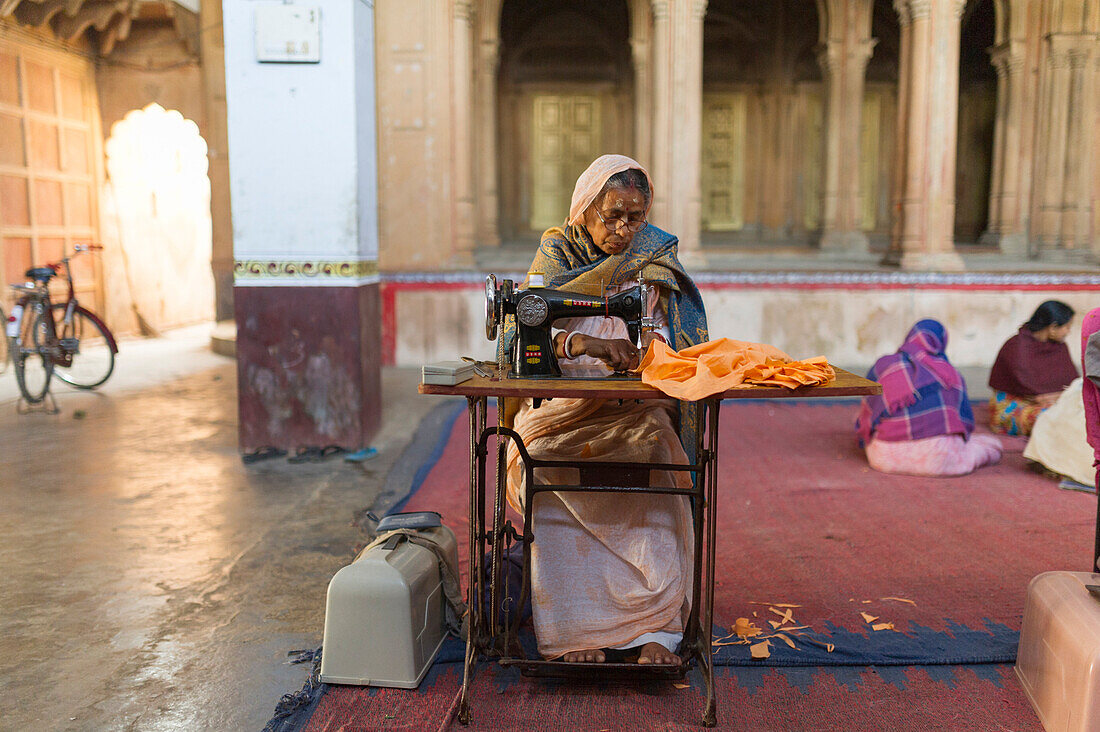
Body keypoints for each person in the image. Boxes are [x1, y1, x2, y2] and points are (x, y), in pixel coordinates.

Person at [501, 154, 708, 665]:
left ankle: (657, 629)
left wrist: (650, 349)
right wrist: (585, 346)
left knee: (662, 458)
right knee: (545, 464)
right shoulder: (556, 252)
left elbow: (674, 332)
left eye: (634, 217)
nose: (623, 229)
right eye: (611, 215)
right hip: (559, 411)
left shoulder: (653, 256)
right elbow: (518, 332)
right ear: (585, 209)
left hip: (631, 410)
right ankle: (577, 632)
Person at [856, 319, 1002, 477]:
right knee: (992, 446)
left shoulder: (884, 364)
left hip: (884, 459)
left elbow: (867, 416)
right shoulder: (949, 373)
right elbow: (964, 425)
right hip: (940, 462)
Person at [988, 300, 1078, 435]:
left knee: (1086, 412)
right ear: (1053, 327)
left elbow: (1072, 386)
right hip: (1015, 406)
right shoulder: (1016, 346)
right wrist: (1061, 397)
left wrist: (1062, 396)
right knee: (1054, 417)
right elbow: (1035, 395)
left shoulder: (1059, 347)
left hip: (1054, 401)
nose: (1068, 332)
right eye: (1067, 327)